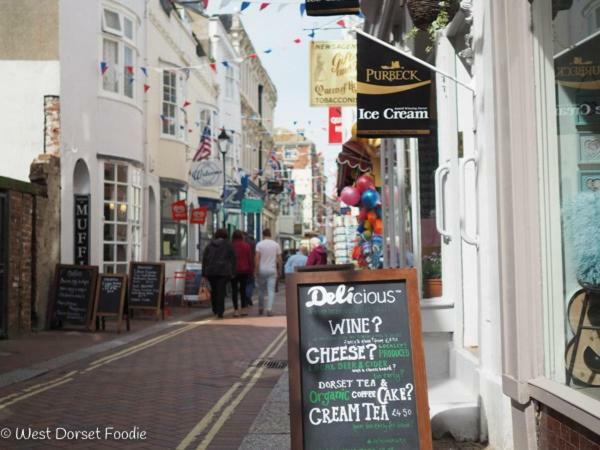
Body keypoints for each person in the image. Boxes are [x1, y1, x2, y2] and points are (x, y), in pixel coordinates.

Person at [202, 229, 236, 319]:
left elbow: (205, 259)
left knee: (214, 290)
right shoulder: (228, 245)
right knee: (221, 291)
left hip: (211, 271)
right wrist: (233, 272)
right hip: (223, 271)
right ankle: (220, 311)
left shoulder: (209, 245)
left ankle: (215, 308)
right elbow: (233, 259)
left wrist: (203, 273)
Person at [254, 228, 282, 316]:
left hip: (262, 269)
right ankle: (269, 309)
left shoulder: (259, 244)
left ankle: (260, 307)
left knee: (261, 290)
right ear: (270, 235)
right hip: (272, 270)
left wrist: (256, 270)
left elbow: (257, 258)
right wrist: (280, 269)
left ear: (263, 235)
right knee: (271, 290)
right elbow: (279, 259)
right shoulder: (276, 245)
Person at [231, 230, 253, 317]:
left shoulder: (231, 246)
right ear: (241, 236)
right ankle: (243, 309)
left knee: (234, 290)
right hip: (244, 270)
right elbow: (249, 259)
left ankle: (236, 310)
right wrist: (251, 270)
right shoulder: (247, 246)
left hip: (233, 270)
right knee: (243, 290)